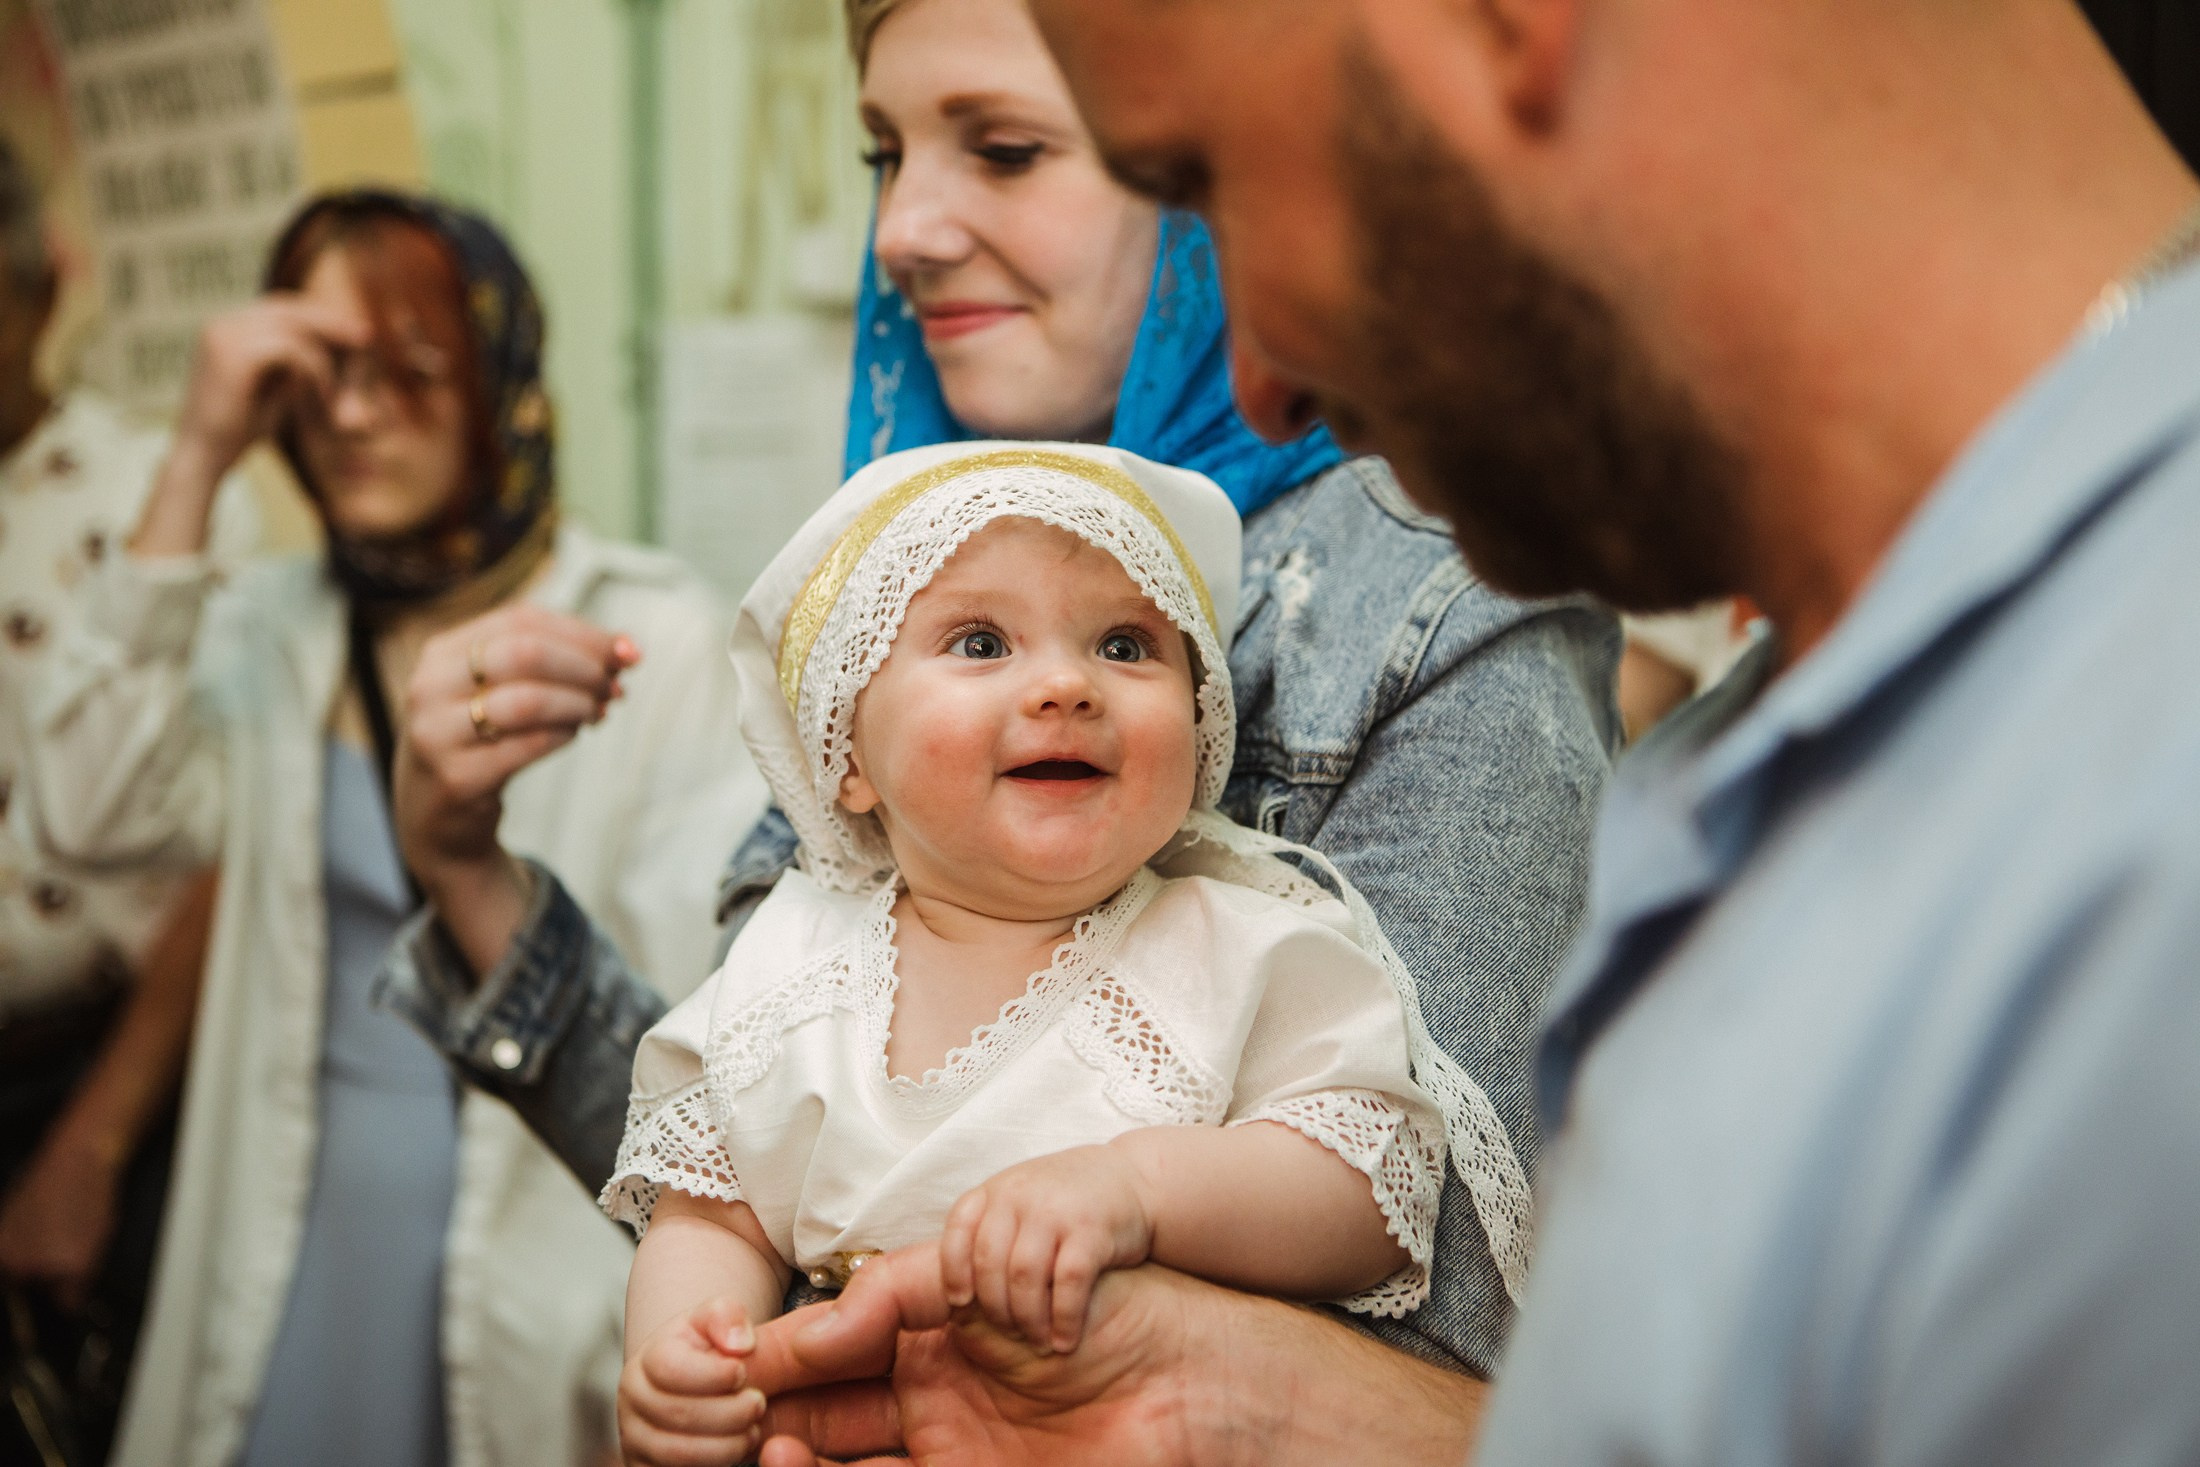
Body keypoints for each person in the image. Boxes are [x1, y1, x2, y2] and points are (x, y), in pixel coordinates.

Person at [724, 0, 2200, 1464]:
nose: (1252, 381)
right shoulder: (1821, 735)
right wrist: (1252, 1404)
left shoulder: (2133, 800)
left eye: (1213, 186)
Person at [379, 0, 1617, 1405]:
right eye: (883, 155)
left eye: (1008, 149)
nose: (904, 228)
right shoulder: (891, 558)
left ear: (1214, 172)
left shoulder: (1437, 602)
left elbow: (1441, 1333)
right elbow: (779, 1165)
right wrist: (468, 873)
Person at [17, 190, 762, 1467]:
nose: (353, 416)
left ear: (499, 379)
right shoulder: (269, 626)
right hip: (289, 1209)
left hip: (536, 1230)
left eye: (410, 373)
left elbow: (687, 1033)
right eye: (321, 377)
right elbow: (83, 813)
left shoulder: (653, 635)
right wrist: (195, 455)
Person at [616, 443, 1542, 1466]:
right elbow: (712, 1214)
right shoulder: (782, 970)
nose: (1065, 685)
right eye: (977, 643)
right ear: (846, 755)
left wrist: (1135, 1193)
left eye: (1124, 645)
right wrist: (685, 1359)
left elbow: (1368, 1196)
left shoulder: (1239, 943)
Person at [0, 138, 249, 1464]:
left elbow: (233, 850)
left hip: (101, 1077)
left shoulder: (157, 499)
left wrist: (92, 1146)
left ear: (39, 294)